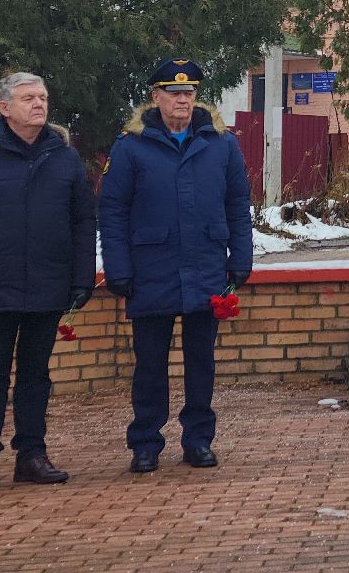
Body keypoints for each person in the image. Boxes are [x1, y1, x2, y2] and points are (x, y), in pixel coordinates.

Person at [0, 72, 97, 494]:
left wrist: (81, 277)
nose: (39, 104)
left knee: (35, 376)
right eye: (28, 98)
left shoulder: (64, 156)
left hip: (48, 284)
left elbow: (83, 221)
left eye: (43, 97)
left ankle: (32, 456)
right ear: (4, 108)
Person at [97, 59, 252, 473]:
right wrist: (118, 267)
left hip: (205, 267)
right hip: (151, 269)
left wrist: (241, 258)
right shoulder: (131, 145)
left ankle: (198, 439)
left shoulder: (222, 144)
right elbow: (112, 211)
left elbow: (238, 205)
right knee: (150, 364)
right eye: (173, 92)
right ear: (156, 97)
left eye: (188, 93)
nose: (182, 100)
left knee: (201, 362)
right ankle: (145, 443)